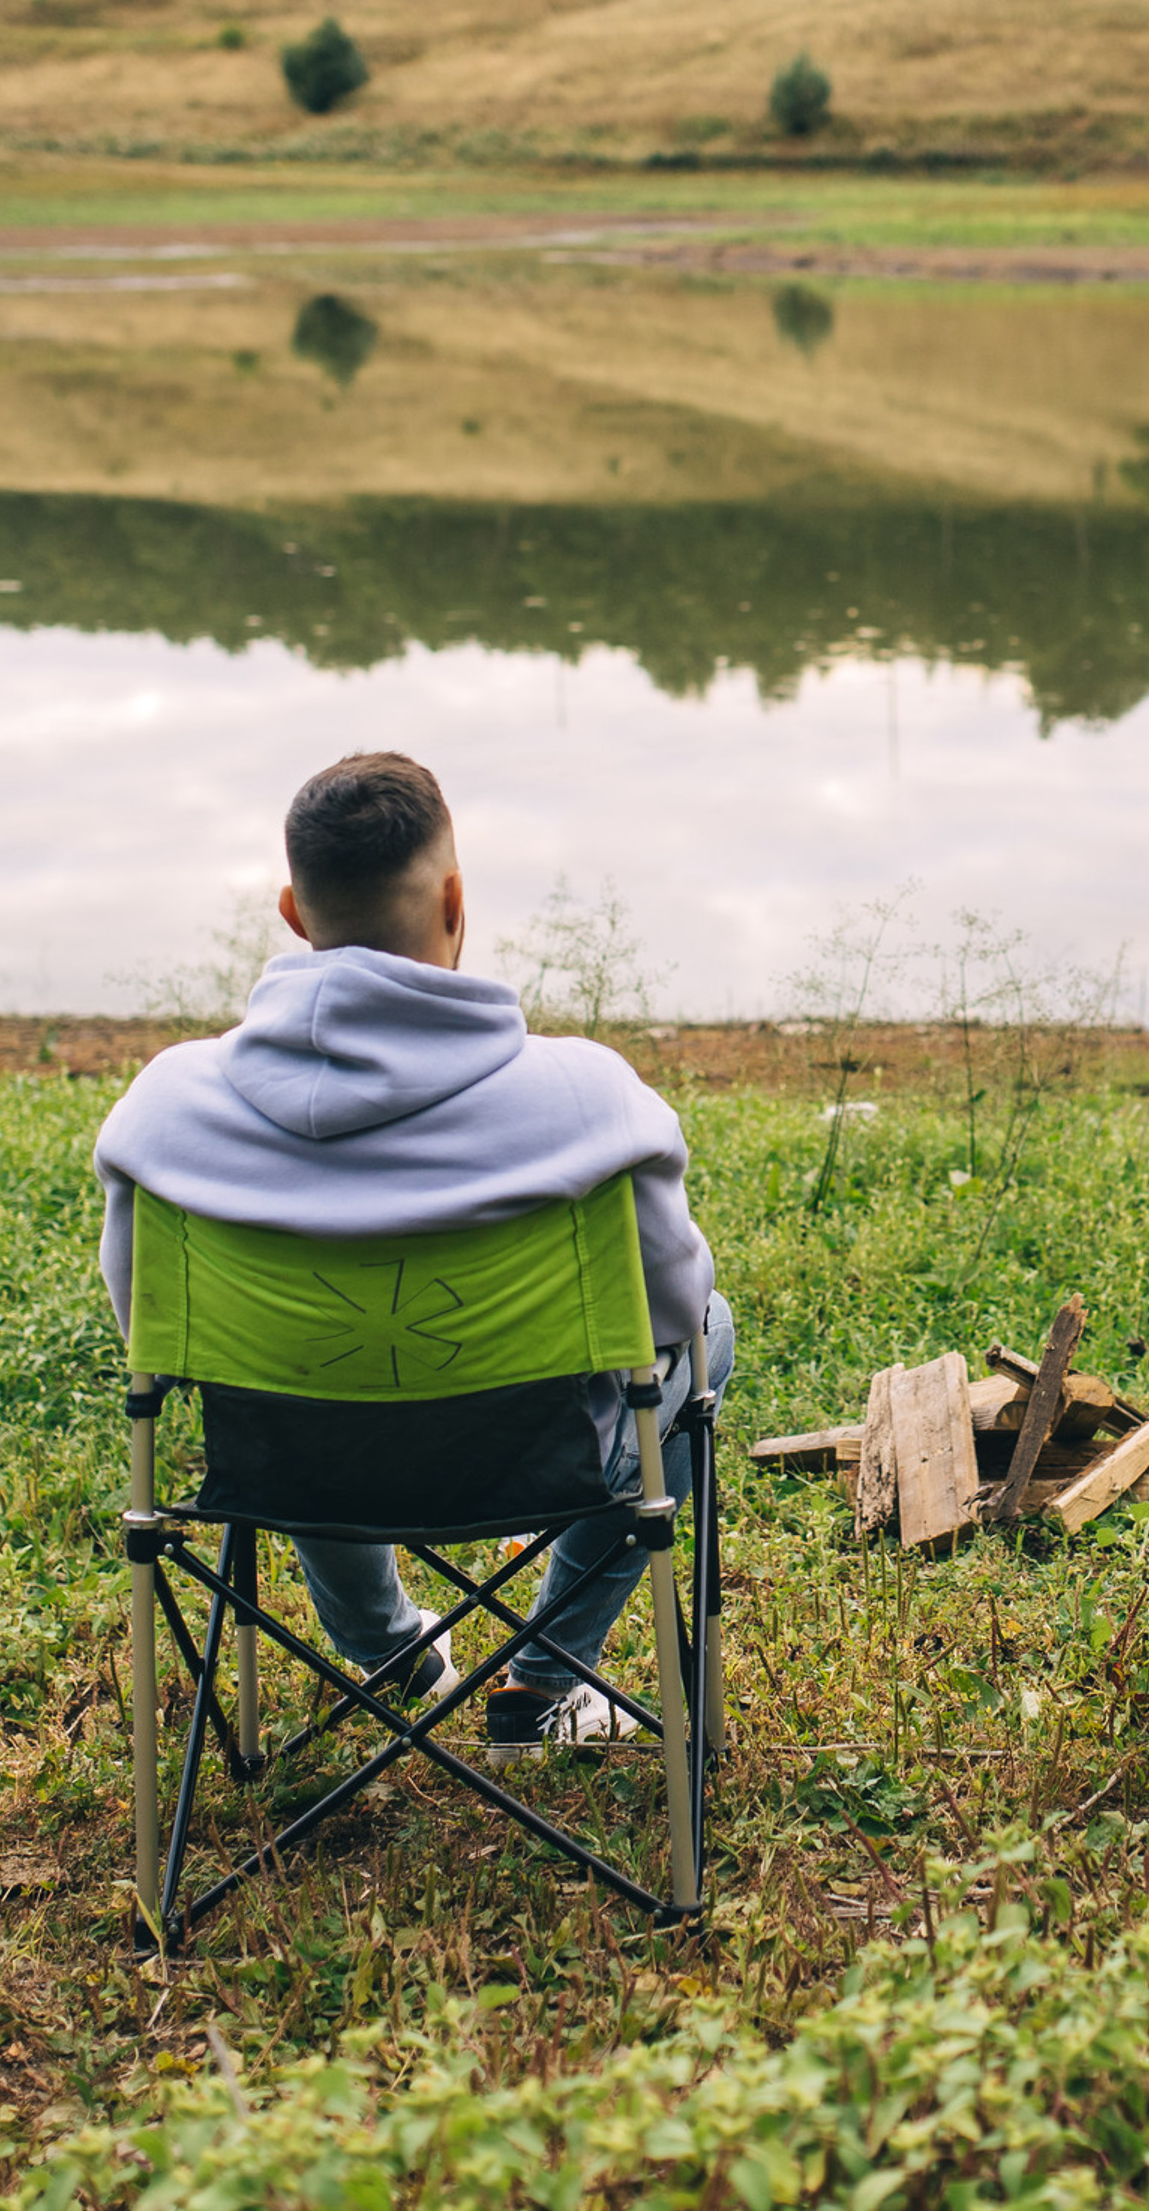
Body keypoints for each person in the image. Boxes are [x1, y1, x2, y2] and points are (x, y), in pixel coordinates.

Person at [93, 750, 730, 1765]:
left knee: (290, 1371)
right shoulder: (591, 1102)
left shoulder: (165, 1111)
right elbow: (671, 1315)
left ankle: (394, 1658)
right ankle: (547, 1680)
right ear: (455, 900)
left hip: (294, 1464)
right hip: (536, 1453)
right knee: (714, 1332)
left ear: (294, 912)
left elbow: (157, 1339)